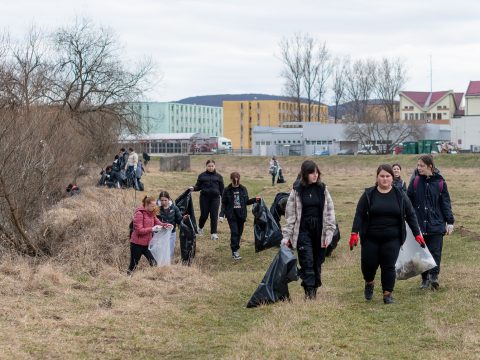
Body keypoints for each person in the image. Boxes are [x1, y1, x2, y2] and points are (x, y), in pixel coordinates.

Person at [350, 164, 425, 304]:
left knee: (388, 265)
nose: (385, 179)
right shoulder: (368, 194)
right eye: (382, 176)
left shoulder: (400, 195)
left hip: (392, 238)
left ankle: (387, 294)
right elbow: (359, 214)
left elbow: (411, 215)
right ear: (377, 177)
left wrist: (417, 234)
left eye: (388, 176)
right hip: (370, 238)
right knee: (368, 265)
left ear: (392, 178)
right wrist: (354, 232)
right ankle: (369, 282)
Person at [280, 160, 336, 300]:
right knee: (307, 260)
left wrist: (329, 233)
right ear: (305, 174)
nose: (315, 175)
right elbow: (291, 215)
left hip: (319, 230)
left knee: (317, 261)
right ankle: (309, 291)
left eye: (317, 172)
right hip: (303, 230)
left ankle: (314, 287)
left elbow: (330, 212)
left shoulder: (322, 189)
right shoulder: (297, 190)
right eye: (312, 173)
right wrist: (287, 236)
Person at [407, 155, 454, 290]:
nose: (419, 168)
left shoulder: (440, 183)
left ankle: (434, 276)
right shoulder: (415, 181)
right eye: (418, 165)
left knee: (435, 251)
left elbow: (445, 203)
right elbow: (408, 200)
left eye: (421, 166)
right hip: (419, 224)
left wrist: (449, 221)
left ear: (430, 167)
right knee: (422, 253)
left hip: (436, 223)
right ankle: (424, 279)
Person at [219, 172, 260, 260]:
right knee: (235, 232)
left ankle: (235, 248)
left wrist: (255, 200)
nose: (236, 183)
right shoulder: (226, 190)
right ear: (231, 179)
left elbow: (247, 202)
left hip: (241, 215)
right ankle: (234, 251)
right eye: (234, 181)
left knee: (239, 233)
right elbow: (224, 204)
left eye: (237, 181)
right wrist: (221, 215)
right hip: (231, 215)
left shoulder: (243, 189)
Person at [128, 195, 172, 274]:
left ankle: (154, 279)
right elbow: (139, 230)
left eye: (155, 205)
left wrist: (165, 225)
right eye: (152, 206)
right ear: (147, 205)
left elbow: (158, 222)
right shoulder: (139, 214)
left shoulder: (152, 213)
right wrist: (152, 229)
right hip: (136, 244)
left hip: (146, 245)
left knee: (154, 263)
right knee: (133, 265)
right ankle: (127, 279)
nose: (154, 207)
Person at [189, 159, 224, 240]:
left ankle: (214, 233)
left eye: (212, 166)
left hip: (215, 199)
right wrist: (193, 188)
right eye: (209, 166)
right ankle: (200, 228)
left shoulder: (219, 177)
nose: (211, 167)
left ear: (214, 166)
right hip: (204, 198)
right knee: (204, 215)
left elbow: (222, 190)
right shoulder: (202, 176)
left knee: (214, 216)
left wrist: (225, 198)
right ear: (206, 166)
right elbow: (198, 187)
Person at [157, 191, 187, 261]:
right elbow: (155, 221)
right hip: (162, 233)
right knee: (162, 250)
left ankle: (168, 265)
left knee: (170, 251)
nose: (163, 202)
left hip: (172, 233)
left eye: (165, 200)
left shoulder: (174, 208)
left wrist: (184, 218)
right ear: (159, 200)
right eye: (162, 200)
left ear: (169, 199)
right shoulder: (157, 209)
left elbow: (179, 219)